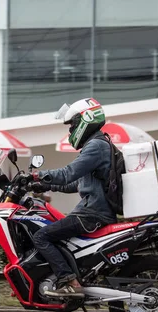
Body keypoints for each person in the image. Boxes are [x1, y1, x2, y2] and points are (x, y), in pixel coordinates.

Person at [28, 98, 117, 298]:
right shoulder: (98, 144)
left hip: (92, 215)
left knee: (41, 236)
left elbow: (68, 173)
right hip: (93, 213)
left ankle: (68, 279)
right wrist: (44, 184)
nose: (70, 131)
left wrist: (37, 175)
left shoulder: (96, 146)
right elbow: (74, 183)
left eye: (72, 125)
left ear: (86, 120)